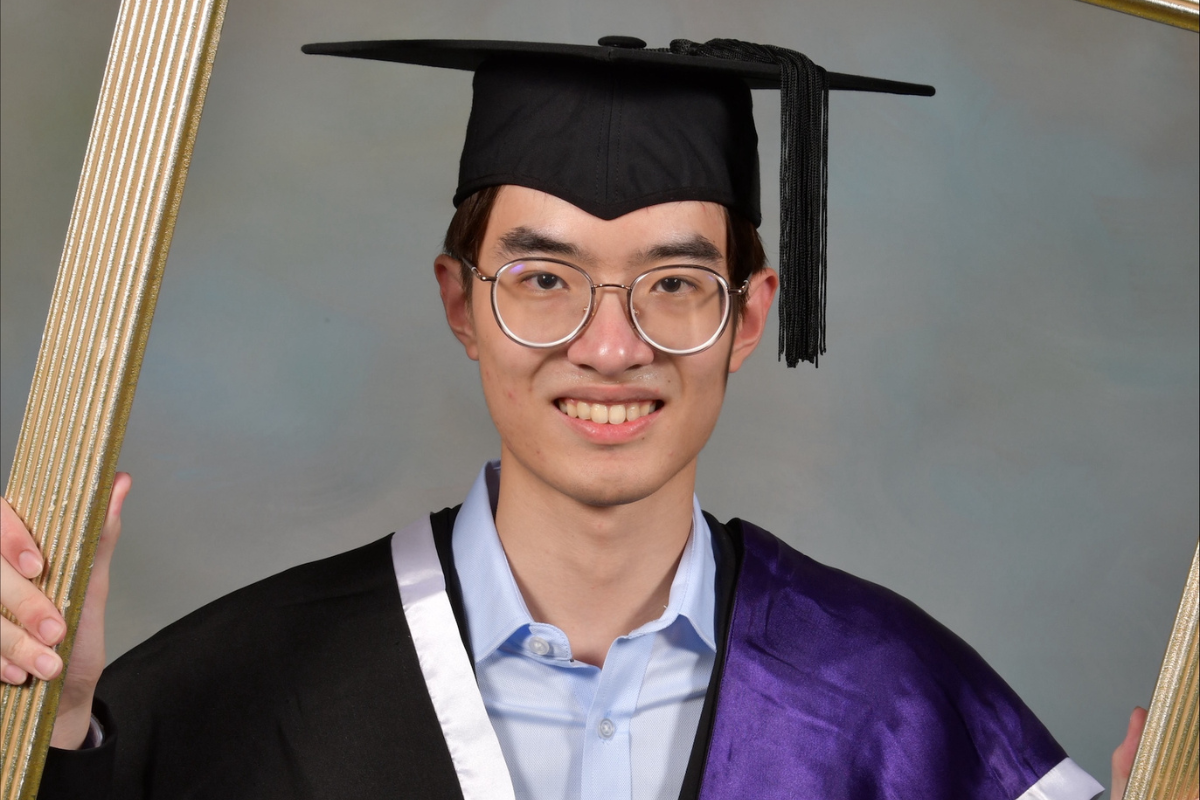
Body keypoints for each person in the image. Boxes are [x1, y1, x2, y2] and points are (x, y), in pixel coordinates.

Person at [0, 37, 1142, 799]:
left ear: (749, 317)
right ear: (461, 304)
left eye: (674, 284)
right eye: (543, 279)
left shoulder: (893, 697)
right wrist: (42, 733)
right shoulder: (234, 688)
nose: (610, 345)